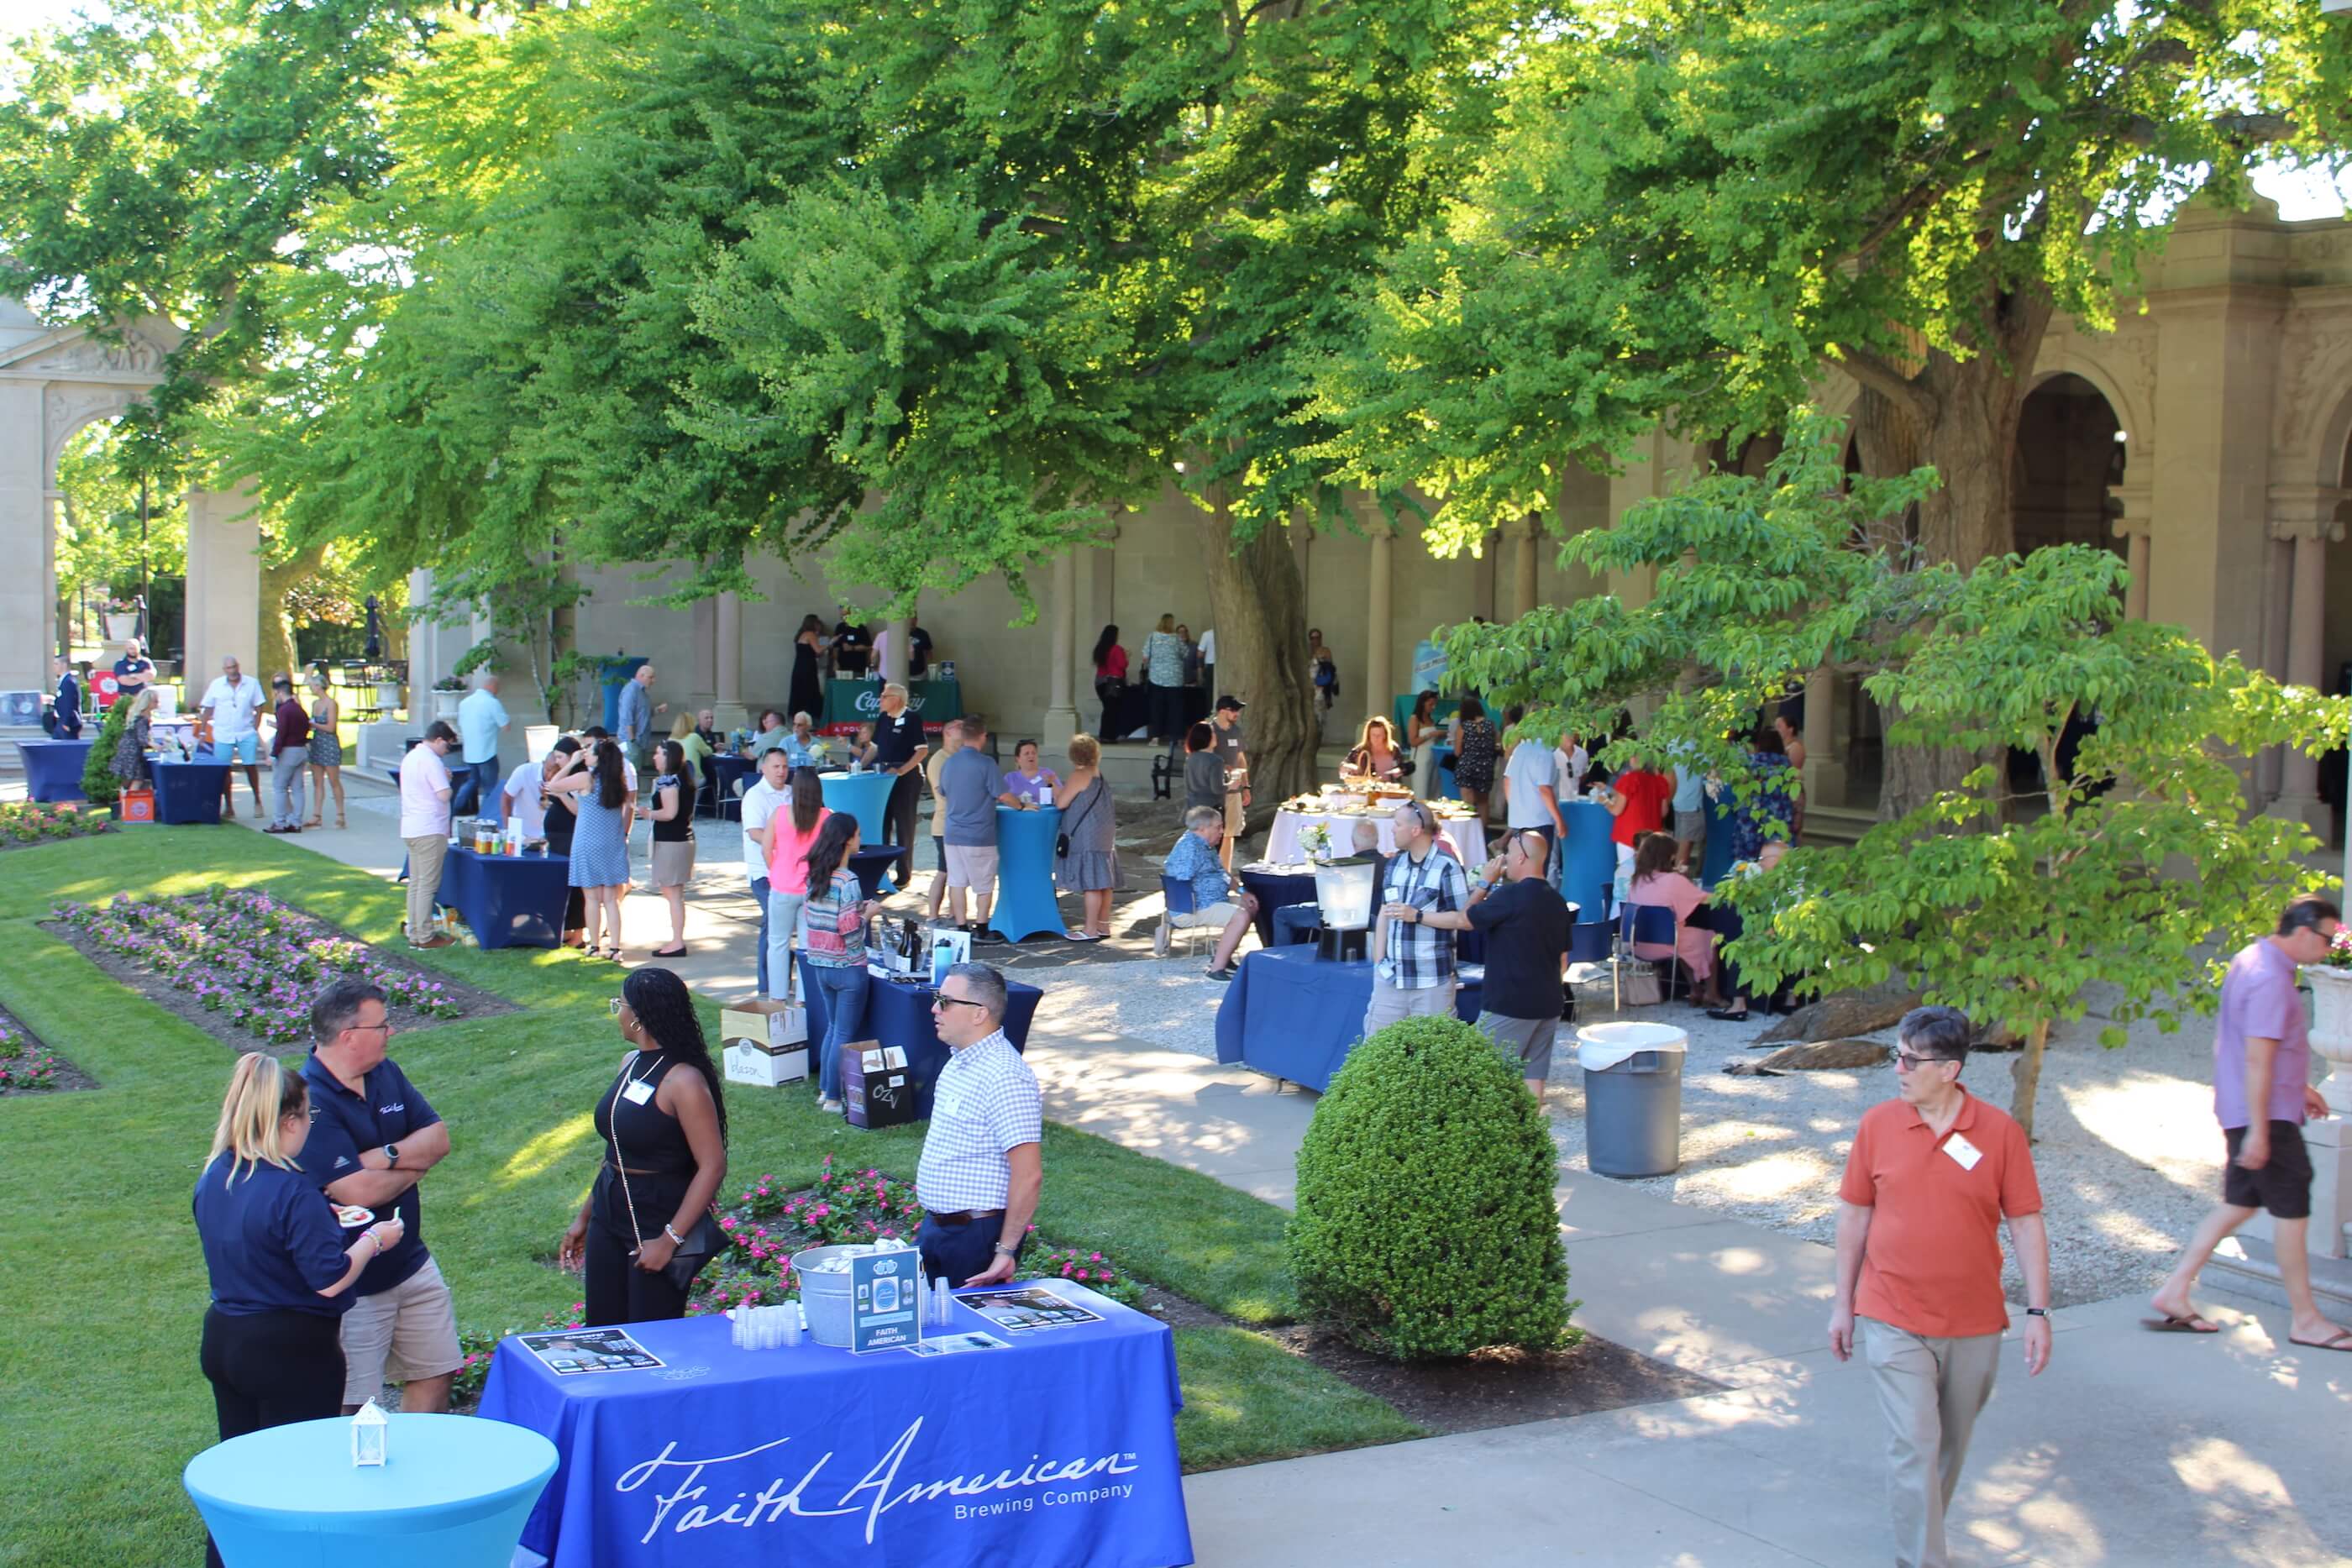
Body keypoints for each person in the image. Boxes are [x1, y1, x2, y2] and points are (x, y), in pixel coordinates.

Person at [1830, 1005, 2050, 1568]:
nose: (1898, 1067)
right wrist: (1842, 1305)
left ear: (1949, 1069)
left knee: (1947, 1448)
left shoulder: (1998, 1133)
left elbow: (2025, 1221)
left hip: (1974, 1320)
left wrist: (2038, 1310)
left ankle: (1920, 1531)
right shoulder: (1878, 1124)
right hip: (1891, 1312)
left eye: (1910, 1058)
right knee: (1915, 1445)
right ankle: (1923, 1559)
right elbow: (1854, 1216)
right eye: (1897, 1055)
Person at [193, 1052, 402, 1568]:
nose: (311, 1126)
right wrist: (375, 1238)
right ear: (287, 1121)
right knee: (298, 1479)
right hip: (290, 1353)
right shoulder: (291, 1189)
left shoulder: (218, 1173)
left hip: (225, 1339)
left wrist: (319, 1220)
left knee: (239, 1473)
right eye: (308, 1117)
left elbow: (254, 1234)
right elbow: (330, 1279)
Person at [2148, 894, 2351, 1350]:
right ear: (2302, 932)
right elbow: (2258, 1060)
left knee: (2240, 1204)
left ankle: (2175, 1289)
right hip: (2265, 1117)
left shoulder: (2252, 958)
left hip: (2251, 1108)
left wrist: (2299, 1087)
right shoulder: (2270, 981)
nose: (2329, 949)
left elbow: (2258, 1048)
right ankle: (2306, 1319)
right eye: (2327, 939)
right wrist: (2261, 1130)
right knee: (2292, 1211)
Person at [300, 978, 464, 1415]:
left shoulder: (385, 1073)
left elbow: (439, 1138)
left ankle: (416, 1476)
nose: (391, 1032)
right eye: (383, 1025)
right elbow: (356, 1190)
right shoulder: (308, 1099)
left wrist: (385, 1155)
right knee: (353, 1404)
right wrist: (415, 1164)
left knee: (436, 1370)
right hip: (351, 1279)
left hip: (410, 1262)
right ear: (349, 1036)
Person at [559, 968, 729, 1326]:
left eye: (618, 1004)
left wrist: (670, 1240)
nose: (616, 1013)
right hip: (610, 1205)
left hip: (656, 1215)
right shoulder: (631, 1064)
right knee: (602, 1327)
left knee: (650, 1331)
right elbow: (616, 1152)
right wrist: (585, 1217)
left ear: (637, 1017)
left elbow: (712, 1165)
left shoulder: (683, 1081)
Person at [915, 962, 1043, 1287]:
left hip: (975, 1239)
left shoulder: (1006, 1076)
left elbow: (1028, 1175)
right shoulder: (958, 1063)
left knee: (966, 1333)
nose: (934, 1008)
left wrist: (1005, 1250)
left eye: (945, 1001)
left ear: (978, 1013)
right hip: (939, 1229)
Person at [1448, 830, 1572, 1097]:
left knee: (1484, 1078)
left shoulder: (1509, 896)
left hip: (1509, 1003)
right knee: (1534, 1078)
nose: (1504, 860)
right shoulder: (1558, 901)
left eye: (1509, 854)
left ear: (1521, 859)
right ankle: (1531, 1136)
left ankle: (1496, 1137)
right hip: (1549, 1003)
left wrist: (1484, 883)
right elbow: (1564, 960)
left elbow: (1464, 919)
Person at [1364, 799, 1473, 1032]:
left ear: (1415, 830)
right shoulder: (1394, 865)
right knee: (1376, 1051)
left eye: (1397, 824)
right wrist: (1378, 963)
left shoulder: (1447, 867)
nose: (1392, 829)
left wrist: (1418, 916)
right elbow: (1384, 912)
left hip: (1431, 982)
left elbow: (1464, 920)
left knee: (1431, 1058)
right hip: (1391, 978)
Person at [799, 814, 878, 1112]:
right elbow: (851, 932)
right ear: (847, 840)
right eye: (858, 834)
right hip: (848, 966)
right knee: (844, 1033)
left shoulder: (816, 875)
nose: (860, 839)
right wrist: (868, 915)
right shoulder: (848, 880)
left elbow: (822, 919)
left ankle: (824, 1090)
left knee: (833, 1028)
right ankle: (833, 1097)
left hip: (821, 964)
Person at [548, 738, 633, 960]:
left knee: (592, 898)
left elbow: (553, 784)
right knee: (611, 899)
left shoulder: (587, 777)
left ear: (599, 757)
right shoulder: (617, 781)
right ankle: (615, 948)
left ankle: (594, 946)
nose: (585, 754)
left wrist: (569, 763)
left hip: (588, 843)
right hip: (612, 844)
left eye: (589, 752)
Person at [1626, 830, 1725, 1008]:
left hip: (1638, 944)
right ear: (1669, 856)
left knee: (1683, 938)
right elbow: (1705, 898)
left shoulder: (1636, 880)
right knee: (1709, 936)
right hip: (1666, 943)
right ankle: (1712, 993)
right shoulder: (1673, 880)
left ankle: (1695, 988)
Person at [1158, 805, 1257, 977]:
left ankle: (1222, 957)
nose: (1222, 831)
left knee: (1252, 905)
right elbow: (1179, 879)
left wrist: (1242, 892)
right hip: (1192, 907)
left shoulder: (1206, 846)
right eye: (1218, 827)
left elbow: (1222, 873)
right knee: (1241, 916)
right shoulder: (1189, 848)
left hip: (1211, 901)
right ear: (1202, 828)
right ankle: (1216, 969)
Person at [1704, 837, 1792, 1022]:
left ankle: (1741, 1005)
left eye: (1764, 858)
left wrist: (1771, 930)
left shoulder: (1792, 884)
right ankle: (1739, 1004)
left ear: (1779, 859)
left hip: (1785, 933)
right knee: (1737, 940)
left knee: (1741, 947)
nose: (1759, 862)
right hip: (1766, 930)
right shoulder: (1760, 880)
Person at [764, 768, 831, 999]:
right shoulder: (827, 816)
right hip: (813, 888)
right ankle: (805, 999)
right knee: (808, 947)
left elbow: (765, 848)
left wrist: (777, 869)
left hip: (782, 886)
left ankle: (777, 998)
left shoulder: (780, 813)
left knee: (778, 944)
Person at [939, 718, 1004, 937]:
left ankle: (961, 927)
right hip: (979, 833)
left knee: (957, 881)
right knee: (984, 884)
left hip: (953, 833)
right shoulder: (986, 764)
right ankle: (982, 929)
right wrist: (1023, 805)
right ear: (982, 736)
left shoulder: (949, 763)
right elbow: (1001, 794)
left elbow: (943, 791)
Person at [738, 747, 794, 997]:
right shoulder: (755, 796)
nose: (781, 771)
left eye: (784, 766)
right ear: (764, 768)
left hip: (791, 870)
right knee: (773, 921)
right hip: (764, 871)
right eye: (776, 766)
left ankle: (779, 978)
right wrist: (788, 846)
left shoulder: (792, 794)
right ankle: (768, 984)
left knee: (783, 924)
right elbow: (755, 833)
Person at [398, 722, 459, 950]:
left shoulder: (411, 757)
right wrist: (448, 783)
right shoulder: (432, 761)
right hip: (430, 828)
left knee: (416, 883)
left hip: (412, 826)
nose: (447, 752)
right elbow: (443, 795)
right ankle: (425, 936)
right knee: (427, 885)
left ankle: (415, 932)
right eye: (448, 747)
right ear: (440, 740)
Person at [1054, 734, 1119, 941]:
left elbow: (1061, 803)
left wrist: (1054, 788)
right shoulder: (1098, 774)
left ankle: (1090, 929)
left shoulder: (1079, 774)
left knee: (1092, 883)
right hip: (1105, 832)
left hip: (1087, 834)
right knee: (1104, 881)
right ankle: (1103, 925)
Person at [644, 739, 698, 958]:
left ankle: (677, 941)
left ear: (668, 756)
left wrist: (648, 813)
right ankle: (677, 939)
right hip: (681, 840)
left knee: (673, 894)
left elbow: (669, 813)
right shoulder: (683, 779)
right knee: (676, 894)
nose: (655, 757)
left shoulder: (669, 781)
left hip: (671, 842)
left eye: (658, 753)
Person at [873, 682, 929, 891]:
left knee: (904, 826)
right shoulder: (882, 719)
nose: (881, 699)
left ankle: (903, 875)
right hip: (883, 778)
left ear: (896, 699)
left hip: (906, 779)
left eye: (885, 696)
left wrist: (902, 770)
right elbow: (876, 749)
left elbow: (922, 751)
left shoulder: (912, 719)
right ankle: (880, 873)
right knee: (883, 824)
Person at [536, 737, 590, 947]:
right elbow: (553, 787)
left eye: (560, 757)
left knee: (575, 887)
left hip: (571, 835)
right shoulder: (566, 774)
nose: (557, 761)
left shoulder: (580, 777)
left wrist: (559, 791)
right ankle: (566, 928)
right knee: (563, 885)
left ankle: (578, 934)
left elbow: (578, 809)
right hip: (556, 837)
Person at [201, 653, 267, 819]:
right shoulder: (216, 685)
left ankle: (257, 800)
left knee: (250, 765)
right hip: (223, 733)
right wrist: (202, 730)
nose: (233, 671)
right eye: (229, 668)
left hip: (246, 731)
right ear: (225, 670)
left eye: (235, 667)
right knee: (224, 770)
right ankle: (229, 806)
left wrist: (256, 725)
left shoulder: (251, 683)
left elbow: (259, 705)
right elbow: (207, 708)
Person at [1603, 750, 1673, 897]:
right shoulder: (1659, 781)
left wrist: (1604, 801)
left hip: (1628, 836)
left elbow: (1617, 810)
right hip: (1652, 836)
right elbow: (1663, 812)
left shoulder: (1629, 779)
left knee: (1627, 876)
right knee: (1650, 876)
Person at [1725, 726, 1798, 863]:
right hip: (1779, 815)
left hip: (1754, 814)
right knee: (1778, 858)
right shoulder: (1785, 764)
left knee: (1749, 860)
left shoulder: (1752, 762)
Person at [1502, 706, 1564, 856]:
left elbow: (1507, 781)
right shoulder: (1545, 752)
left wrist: (1517, 807)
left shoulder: (1520, 749)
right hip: (1539, 820)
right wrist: (1559, 820)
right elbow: (1544, 789)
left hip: (1518, 820)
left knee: (1522, 864)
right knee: (1539, 866)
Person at [925, 719, 967, 920]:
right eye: (960, 727)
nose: (965, 730)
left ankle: (953, 911)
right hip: (945, 825)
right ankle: (933, 915)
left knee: (956, 873)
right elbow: (942, 793)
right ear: (948, 732)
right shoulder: (939, 760)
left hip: (959, 823)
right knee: (943, 871)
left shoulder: (959, 757)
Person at [454, 674, 510, 816]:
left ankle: (454, 806)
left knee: (471, 782)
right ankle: (485, 816)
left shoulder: (465, 702)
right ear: (493, 687)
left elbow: (460, 724)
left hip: (469, 752)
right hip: (487, 752)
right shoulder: (492, 703)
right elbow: (506, 726)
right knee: (490, 788)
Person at [264, 674, 312, 834]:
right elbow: (306, 728)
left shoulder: (284, 710)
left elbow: (281, 734)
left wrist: (273, 754)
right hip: (301, 749)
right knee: (298, 788)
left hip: (288, 751)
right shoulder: (300, 710)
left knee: (280, 787)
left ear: (279, 693)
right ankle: (296, 822)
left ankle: (279, 822)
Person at [1210, 695, 1249, 872]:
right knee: (1212, 833)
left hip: (1234, 791)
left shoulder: (1236, 731)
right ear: (1222, 711)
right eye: (1233, 710)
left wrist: (1246, 787)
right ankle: (1211, 871)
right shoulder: (1209, 731)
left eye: (1238, 710)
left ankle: (1225, 872)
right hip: (1215, 791)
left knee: (1230, 833)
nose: (1237, 714)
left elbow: (1241, 760)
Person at [303, 671, 346, 830]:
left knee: (334, 780)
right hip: (317, 743)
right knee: (317, 781)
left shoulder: (331, 704)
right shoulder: (315, 704)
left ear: (319, 686)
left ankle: (340, 814)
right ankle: (316, 815)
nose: (311, 688)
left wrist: (313, 725)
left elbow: (331, 727)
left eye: (313, 685)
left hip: (329, 744)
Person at [1451, 695, 1499, 825]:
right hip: (1486, 767)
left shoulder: (1463, 726)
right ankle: (1482, 834)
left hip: (1467, 767)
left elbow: (1457, 752)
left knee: (1468, 803)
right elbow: (1497, 745)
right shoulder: (1490, 725)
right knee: (1483, 802)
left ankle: (1469, 832)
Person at [1142, 613, 1186, 746]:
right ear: (1171, 623)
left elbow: (1145, 657)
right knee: (1176, 709)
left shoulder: (1152, 637)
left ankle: (1155, 737)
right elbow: (1186, 653)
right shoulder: (1176, 638)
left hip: (1156, 678)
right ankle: (1176, 737)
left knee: (1156, 709)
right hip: (1175, 679)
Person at [617, 663, 665, 777]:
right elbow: (627, 717)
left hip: (640, 742)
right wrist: (632, 739)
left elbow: (643, 716)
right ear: (641, 675)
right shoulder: (631, 691)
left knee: (635, 776)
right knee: (629, 777)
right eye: (651, 677)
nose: (653, 681)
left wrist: (657, 710)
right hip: (632, 742)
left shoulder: (642, 693)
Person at [110, 687, 157, 786]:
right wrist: (157, 746)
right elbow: (142, 739)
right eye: (155, 701)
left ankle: (125, 799)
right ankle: (131, 801)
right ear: (148, 702)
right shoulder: (142, 718)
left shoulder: (138, 715)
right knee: (137, 779)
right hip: (132, 751)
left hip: (125, 748)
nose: (158, 704)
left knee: (126, 781)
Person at [1670, 753, 1708, 873]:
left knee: (1678, 849)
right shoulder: (1699, 747)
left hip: (1676, 800)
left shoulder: (1673, 742)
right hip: (1690, 803)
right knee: (1684, 852)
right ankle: (1678, 885)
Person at [1775, 711, 1809, 842]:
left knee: (1795, 827)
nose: (1776, 730)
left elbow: (1793, 770)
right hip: (1782, 790)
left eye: (1779, 726)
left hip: (1793, 791)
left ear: (1790, 729)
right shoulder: (1781, 746)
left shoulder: (1795, 747)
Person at [1344, 716, 1407, 782]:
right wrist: (1349, 767)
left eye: (1379, 735)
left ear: (1385, 735)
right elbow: (1345, 764)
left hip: (1389, 789)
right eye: (1373, 735)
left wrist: (1400, 770)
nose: (1376, 738)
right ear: (1368, 735)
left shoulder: (1394, 749)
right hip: (1367, 789)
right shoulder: (1360, 750)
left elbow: (1402, 766)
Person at [1404, 691, 1442, 800]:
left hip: (1432, 758)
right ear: (1422, 703)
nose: (1433, 707)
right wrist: (1430, 735)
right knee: (1422, 790)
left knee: (1434, 790)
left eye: (1435, 704)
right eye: (1431, 704)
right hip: (1420, 759)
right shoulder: (1415, 719)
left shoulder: (1431, 719)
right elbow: (1413, 741)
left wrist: (1439, 735)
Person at [1092, 625, 1127, 737]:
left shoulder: (1100, 648)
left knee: (1107, 709)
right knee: (1113, 710)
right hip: (1113, 682)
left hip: (1100, 682)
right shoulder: (1117, 649)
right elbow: (1122, 664)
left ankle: (1104, 735)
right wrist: (1126, 656)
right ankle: (1109, 736)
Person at [1001, 738, 1059, 805]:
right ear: (1018, 759)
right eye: (1027, 753)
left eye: (1033, 753)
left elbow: (1061, 797)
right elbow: (1001, 798)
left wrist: (1051, 784)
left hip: (1042, 813)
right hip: (1016, 814)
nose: (1031, 756)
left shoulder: (1047, 773)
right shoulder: (1010, 777)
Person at [667, 710, 711, 795]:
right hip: (693, 778)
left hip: (674, 778)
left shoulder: (670, 739)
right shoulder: (694, 737)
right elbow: (707, 752)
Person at [1182, 721, 1223, 815]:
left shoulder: (1190, 758)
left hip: (1192, 808)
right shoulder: (1216, 760)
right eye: (1212, 732)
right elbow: (1217, 789)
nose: (1215, 735)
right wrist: (1232, 784)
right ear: (1206, 737)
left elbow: (1188, 785)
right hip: (1211, 809)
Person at [790, 615, 827, 720]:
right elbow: (818, 650)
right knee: (809, 692)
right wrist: (830, 643)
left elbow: (812, 652)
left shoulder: (801, 634)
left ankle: (800, 718)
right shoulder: (810, 634)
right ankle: (810, 718)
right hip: (807, 668)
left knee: (801, 693)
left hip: (800, 667)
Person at [112, 635, 156, 705]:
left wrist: (134, 676)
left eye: (135, 648)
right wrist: (142, 678)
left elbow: (151, 676)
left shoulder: (146, 662)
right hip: (126, 697)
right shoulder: (120, 664)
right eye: (131, 648)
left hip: (143, 696)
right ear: (126, 649)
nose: (133, 651)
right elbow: (124, 681)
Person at [46, 654, 82, 738]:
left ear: (64, 665)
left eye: (56, 664)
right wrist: (53, 701)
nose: (54, 667)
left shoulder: (68, 681)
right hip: (60, 721)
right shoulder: (63, 681)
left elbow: (69, 703)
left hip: (66, 723)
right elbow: (63, 700)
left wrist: (66, 722)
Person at [829, 609, 871, 678]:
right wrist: (835, 661)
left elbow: (869, 647)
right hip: (842, 667)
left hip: (858, 667)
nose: (844, 617)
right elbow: (836, 647)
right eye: (842, 615)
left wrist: (853, 648)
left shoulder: (860, 627)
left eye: (846, 615)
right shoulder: (840, 627)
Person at [1309, 629, 1338, 721]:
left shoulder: (1325, 651)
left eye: (1317, 637)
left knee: (1320, 714)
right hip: (1308, 686)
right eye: (1312, 638)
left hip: (1321, 685)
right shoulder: (1306, 651)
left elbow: (1329, 666)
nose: (1315, 640)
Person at [1196, 626, 1215, 697]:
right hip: (1225, 666)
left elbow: (1200, 654)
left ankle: (1210, 707)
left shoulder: (1207, 634)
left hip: (1210, 666)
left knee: (1210, 692)